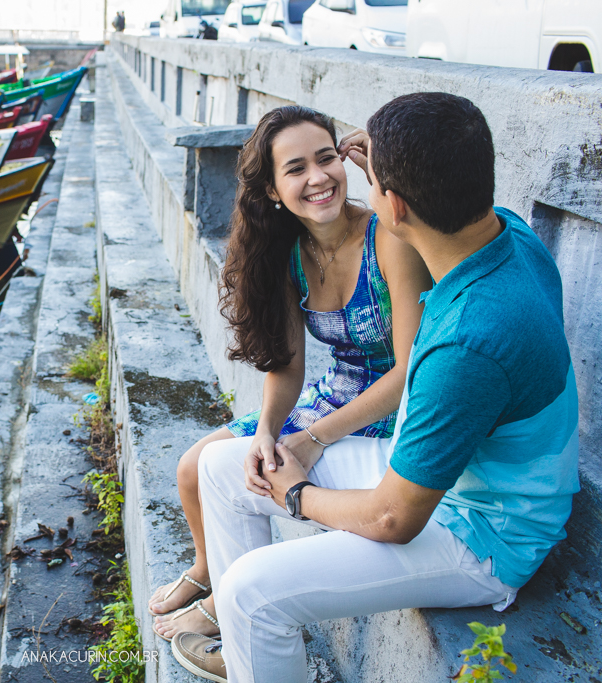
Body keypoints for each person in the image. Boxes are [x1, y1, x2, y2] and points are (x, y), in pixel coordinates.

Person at [175, 92, 580, 683]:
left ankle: (250, 632)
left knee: (248, 592)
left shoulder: (464, 345)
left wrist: (297, 495)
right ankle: (249, 653)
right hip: (456, 474)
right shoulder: (509, 236)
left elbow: (395, 519)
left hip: (485, 532)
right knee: (221, 466)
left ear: (392, 203)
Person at [150, 105, 432, 641]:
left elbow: (410, 371)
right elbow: (287, 366)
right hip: (334, 394)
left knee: (232, 471)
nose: (318, 178)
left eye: (327, 159)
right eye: (296, 168)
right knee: (195, 467)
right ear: (275, 190)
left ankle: (227, 612)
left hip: (392, 406)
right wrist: (267, 431)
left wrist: (311, 440)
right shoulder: (288, 253)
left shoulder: (386, 240)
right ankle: (211, 573)